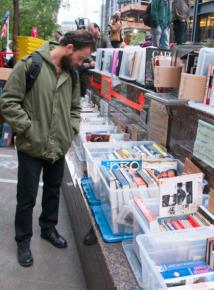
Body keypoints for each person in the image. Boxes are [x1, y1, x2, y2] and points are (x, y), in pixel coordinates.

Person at [0, 30, 95, 267]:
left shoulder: (72, 74)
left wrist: (70, 129)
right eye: (80, 58)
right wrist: (28, 128)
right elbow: (8, 101)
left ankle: (48, 228)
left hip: (58, 146)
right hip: (32, 146)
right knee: (26, 197)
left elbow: (75, 107)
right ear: (69, 48)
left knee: (53, 191)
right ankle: (23, 240)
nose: (81, 63)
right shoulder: (30, 65)